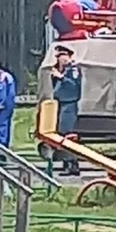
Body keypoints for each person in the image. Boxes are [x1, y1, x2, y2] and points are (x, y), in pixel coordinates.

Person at [52, 45, 82, 176]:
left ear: (69, 56)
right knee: (61, 134)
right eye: (58, 57)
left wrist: (61, 77)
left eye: (62, 56)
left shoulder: (73, 70)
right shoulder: (62, 70)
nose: (60, 59)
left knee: (68, 135)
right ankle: (66, 163)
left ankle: (72, 164)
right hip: (61, 103)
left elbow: (74, 86)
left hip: (69, 104)